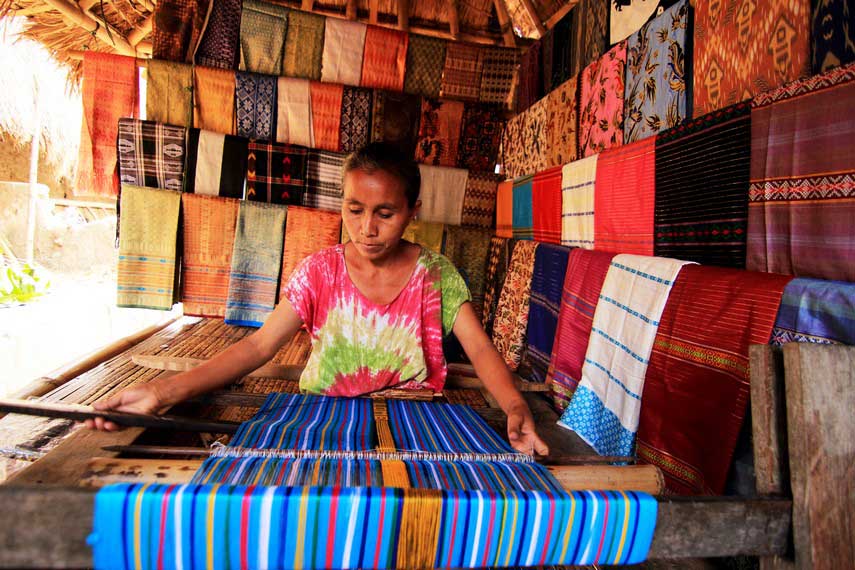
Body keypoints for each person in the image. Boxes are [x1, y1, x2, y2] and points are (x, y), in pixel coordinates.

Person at [88, 142, 549, 456]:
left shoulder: (437, 275)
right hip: (323, 421)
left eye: (385, 213)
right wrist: (159, 392)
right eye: (355, 210)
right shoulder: (319, 272)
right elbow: (256, 347)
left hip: (413, 426)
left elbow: (481, 349)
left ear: (413, 212)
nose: (367, 227)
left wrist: (514, 407)